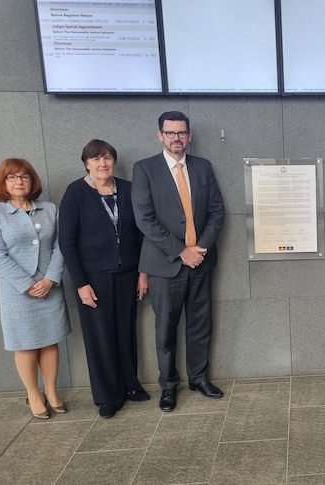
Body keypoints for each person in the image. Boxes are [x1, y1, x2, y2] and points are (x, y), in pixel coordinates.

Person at [132, 111, 226, 412]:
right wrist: (180, 251)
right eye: (170, 133)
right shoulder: (145, 169)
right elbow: (144, 220)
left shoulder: (202, 167)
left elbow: (216, 212)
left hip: (200, 262)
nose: (176, 138)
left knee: (200, 325)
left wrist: (199, 249)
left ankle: (199, 379)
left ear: (189, 136)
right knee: (166, 330)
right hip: (165, 265)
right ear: (160, 135)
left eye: (181, 133)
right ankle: (169, 386)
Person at [59, 140, 150, 418]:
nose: (102, 164)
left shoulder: (129, 189)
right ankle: (107, 396)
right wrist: (80, 283)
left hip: (128, 273)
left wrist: (143, 272)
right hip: (93, 278)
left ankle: (129, 386)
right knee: (100, 337)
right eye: (96, 159)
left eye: (107, 158)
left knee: (125, 331)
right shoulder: (75, 193)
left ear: (114, 161)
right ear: (86, 163)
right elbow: (67, 242)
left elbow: (144, 233)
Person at [0, 159, 71, 419]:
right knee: (27, 344)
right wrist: (28, 285)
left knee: (50, 340)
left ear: (33, 181)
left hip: (49, 285)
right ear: (3, 182)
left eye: (24, 177)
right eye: (12, 177)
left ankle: (52, 391)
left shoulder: (49, 209)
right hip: (17, 290)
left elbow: (60, 245)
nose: (19, 182)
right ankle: (33, 393)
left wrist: (51, 278)